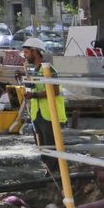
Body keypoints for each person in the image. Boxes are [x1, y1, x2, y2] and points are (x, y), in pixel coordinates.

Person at [20, 36, 66, 181]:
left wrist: (34, 95)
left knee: (51, 146)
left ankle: (56, 175)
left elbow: (55, 91)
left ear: (35, 51)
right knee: (42, 146)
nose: (25, 56)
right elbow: (35, 87)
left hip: (50, 115)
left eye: (26, 52)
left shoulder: (48, 69)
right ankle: (50, 173)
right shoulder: (36, 70)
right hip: (38, 114)